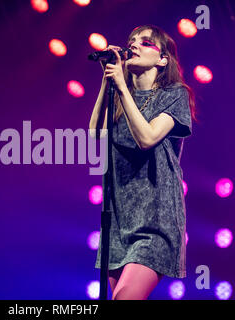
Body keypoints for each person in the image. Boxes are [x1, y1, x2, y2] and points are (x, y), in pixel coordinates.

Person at [89, 24, 198, 300]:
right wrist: (107, 82)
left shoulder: (174, 94)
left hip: (156, 221)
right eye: (132, 40)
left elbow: (147, 137)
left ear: (163, 59)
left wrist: (122, 87)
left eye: (146, 42)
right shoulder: (118, 95)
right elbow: (95, 138)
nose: (134, 44)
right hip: (119, 220)